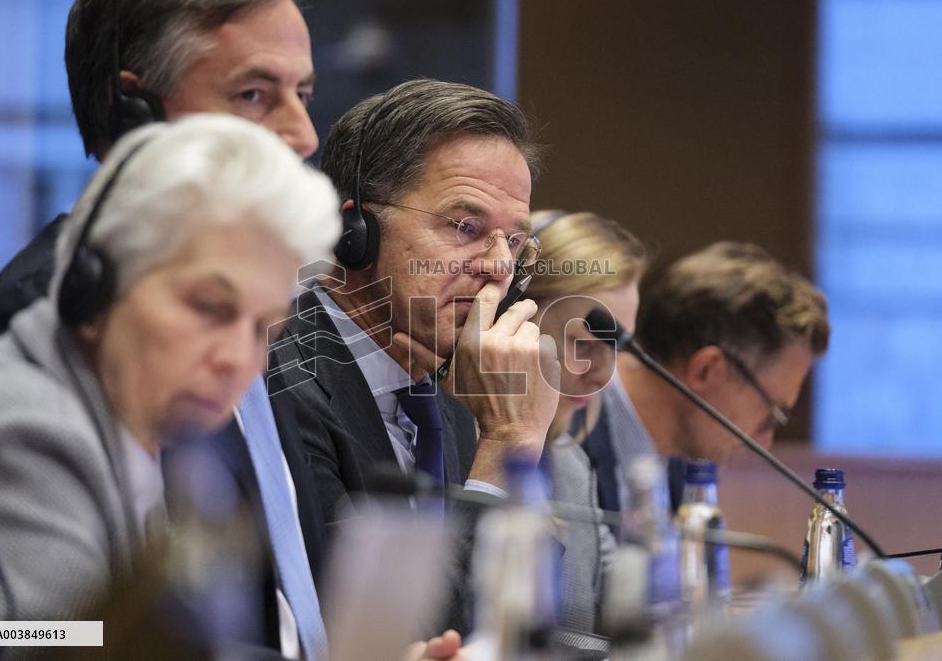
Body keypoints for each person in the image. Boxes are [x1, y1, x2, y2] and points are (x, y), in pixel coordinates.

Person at [0, 115, 340, 657]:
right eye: (207, 306)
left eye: (260, 327)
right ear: (95, 285)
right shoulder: (24, 427)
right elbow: (44, 640)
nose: (236, 360)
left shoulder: (159, 434)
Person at [270, 78, 561, 633]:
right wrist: (508, 447)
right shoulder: (280, 387)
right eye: (466, 227)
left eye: (515, 240)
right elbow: (392, 638)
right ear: (354, 231)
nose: (500, 267)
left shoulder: (450, 401)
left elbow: (529, 619)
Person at [0, 0, 317, 375]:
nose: (306, 136)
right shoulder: (42, 321)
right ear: (134, 118)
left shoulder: (260, 309)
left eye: (302, 96)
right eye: (252, 95)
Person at [592, 241, 830, 512]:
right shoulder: (565, 437)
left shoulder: (681, 463)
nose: (765, 443)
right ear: (707, 370)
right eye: (770, 416)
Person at [518, 209, 648, 637]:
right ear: (514, 315)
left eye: (618, 347)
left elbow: (622, 617)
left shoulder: (570, 463)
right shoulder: (446, 450)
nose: (602, 375)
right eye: (585, 343)